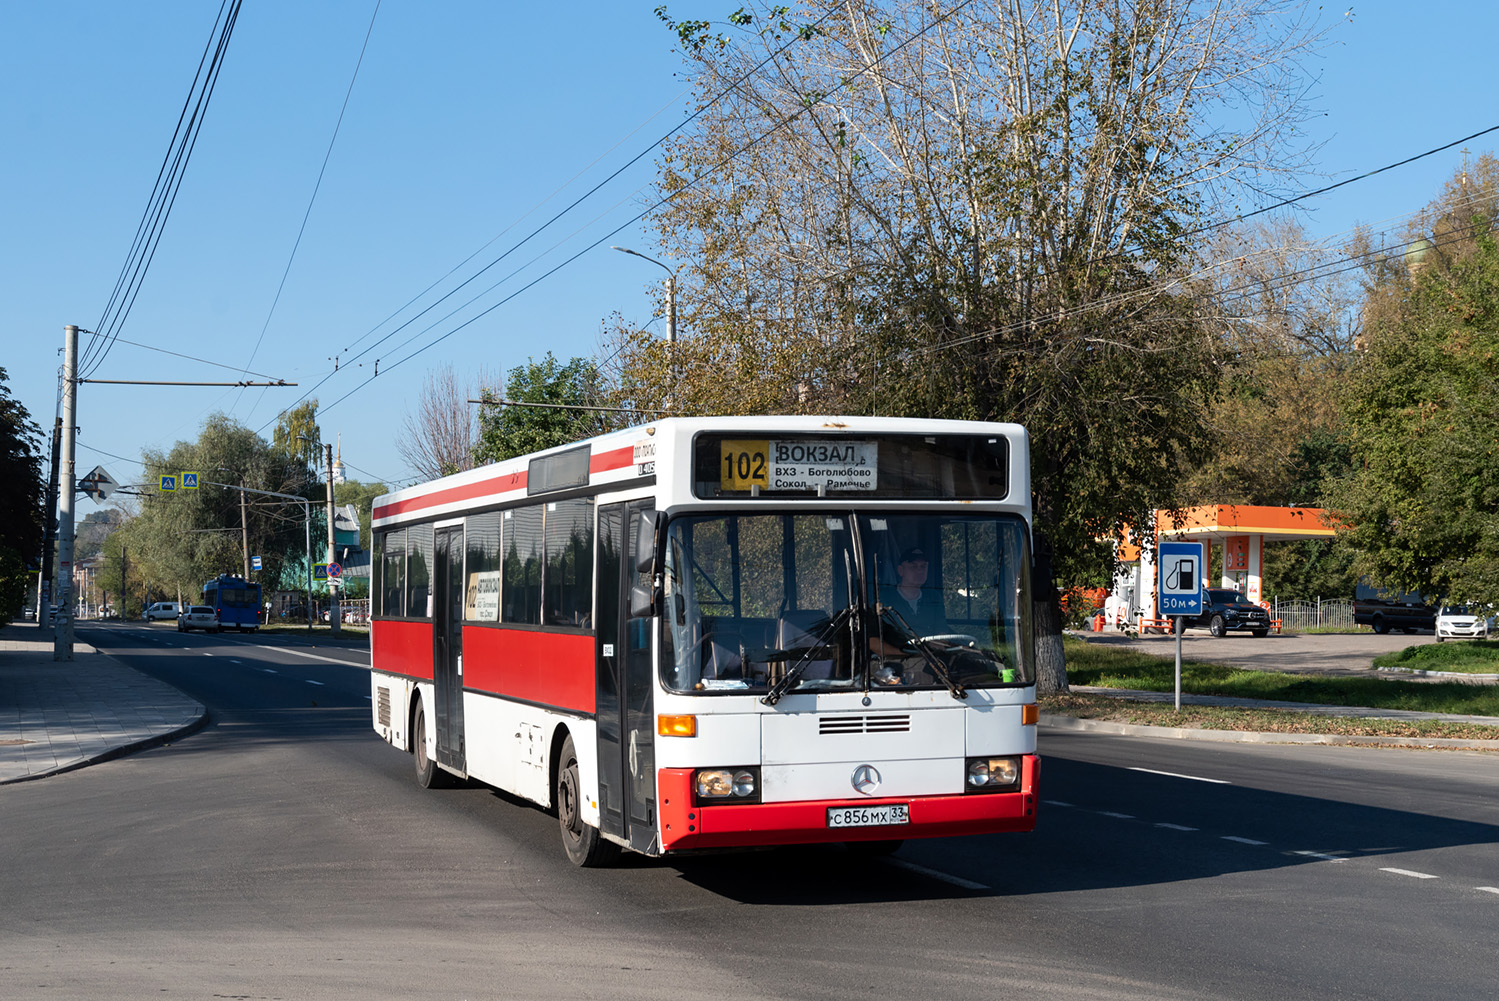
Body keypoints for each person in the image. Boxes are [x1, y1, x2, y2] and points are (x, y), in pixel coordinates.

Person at [870, 547, 951, 683]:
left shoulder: (933, 597)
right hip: (891, 666)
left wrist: (937, 648)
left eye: (923, 566)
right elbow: (872, 642)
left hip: (930, 662)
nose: (919, 570)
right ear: (901, 570)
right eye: (913, 566)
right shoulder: (882, 599)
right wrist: (907, 653)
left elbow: (941, 632)